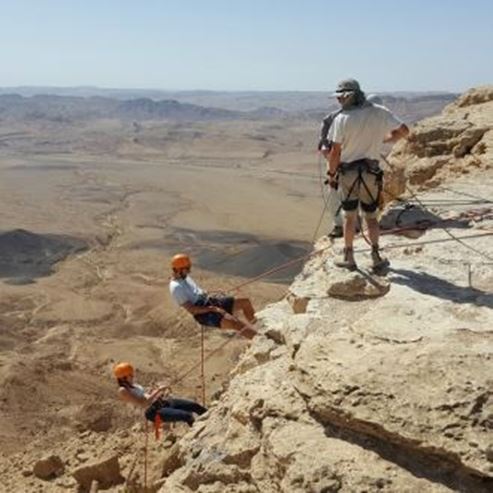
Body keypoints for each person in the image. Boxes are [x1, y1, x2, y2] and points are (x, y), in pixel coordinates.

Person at [327, 79, 409, 270]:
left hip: (348, 173)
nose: (339, 100)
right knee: (371, 216)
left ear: (351, 96)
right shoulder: (380, 112)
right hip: (371, 173)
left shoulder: (341, 119)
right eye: (338, 97)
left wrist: (332, 174)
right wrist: (386, 140)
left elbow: (335, 152)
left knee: (349, 217)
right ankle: (376, 256)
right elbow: (404, 131)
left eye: (342, 96)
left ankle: (349, 257)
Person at [168, 253, 257, 339]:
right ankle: (260, 339)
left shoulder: (185, 277)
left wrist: (212, 293)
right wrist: (212, 309)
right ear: (179, 270)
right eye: (187, 269)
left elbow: (196, 292)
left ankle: (261, 328)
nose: (189, 271)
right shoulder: (176, 288)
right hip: (203, 313)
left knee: (245, 302)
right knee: (235, 323)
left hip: (209, 301)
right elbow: (192, 310)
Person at [114, 362, 207, 427]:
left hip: (161, 403)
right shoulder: (123, 390)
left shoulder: (133, 385)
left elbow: (145, 395)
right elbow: (143, 403)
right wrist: (158, 390)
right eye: (130, 375)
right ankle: (200, 435)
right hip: (153, 412)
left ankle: (210, 420)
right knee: (187, 416)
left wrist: (155, 391)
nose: (133, 376)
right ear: (123, 378)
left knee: (194, 406)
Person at [318, 108, 344, 237]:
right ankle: (340, 225)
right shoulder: (336, 117)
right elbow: (327, 147)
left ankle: (345, 225)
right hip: (339, 160)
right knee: (335, 194)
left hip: (349, 161)